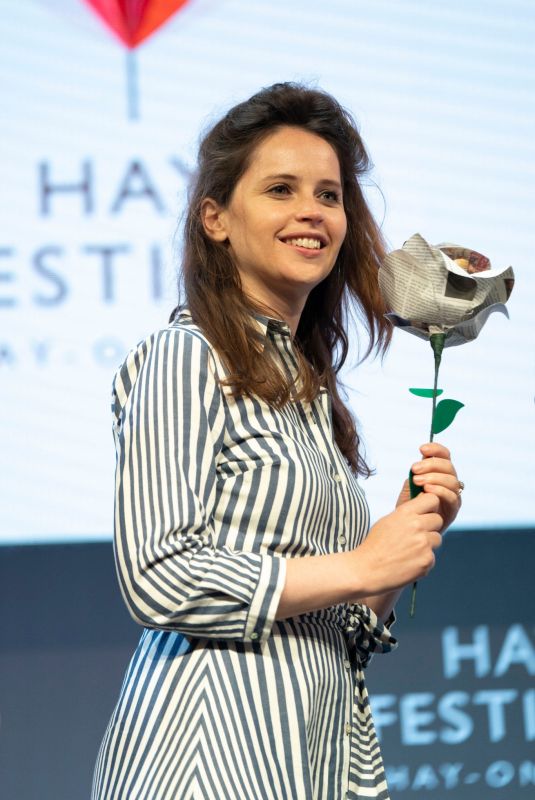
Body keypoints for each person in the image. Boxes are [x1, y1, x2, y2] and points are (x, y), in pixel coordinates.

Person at [92, 83, 462, 800]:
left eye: (328, 195)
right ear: (215, 219)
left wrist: (397, 546)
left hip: (309, 763)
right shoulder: (187, 356)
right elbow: (157, 576)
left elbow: (332, 629)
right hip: (204, 765)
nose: (311, 213)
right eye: (280, 189)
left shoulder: (309, 390)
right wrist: (360, 564)